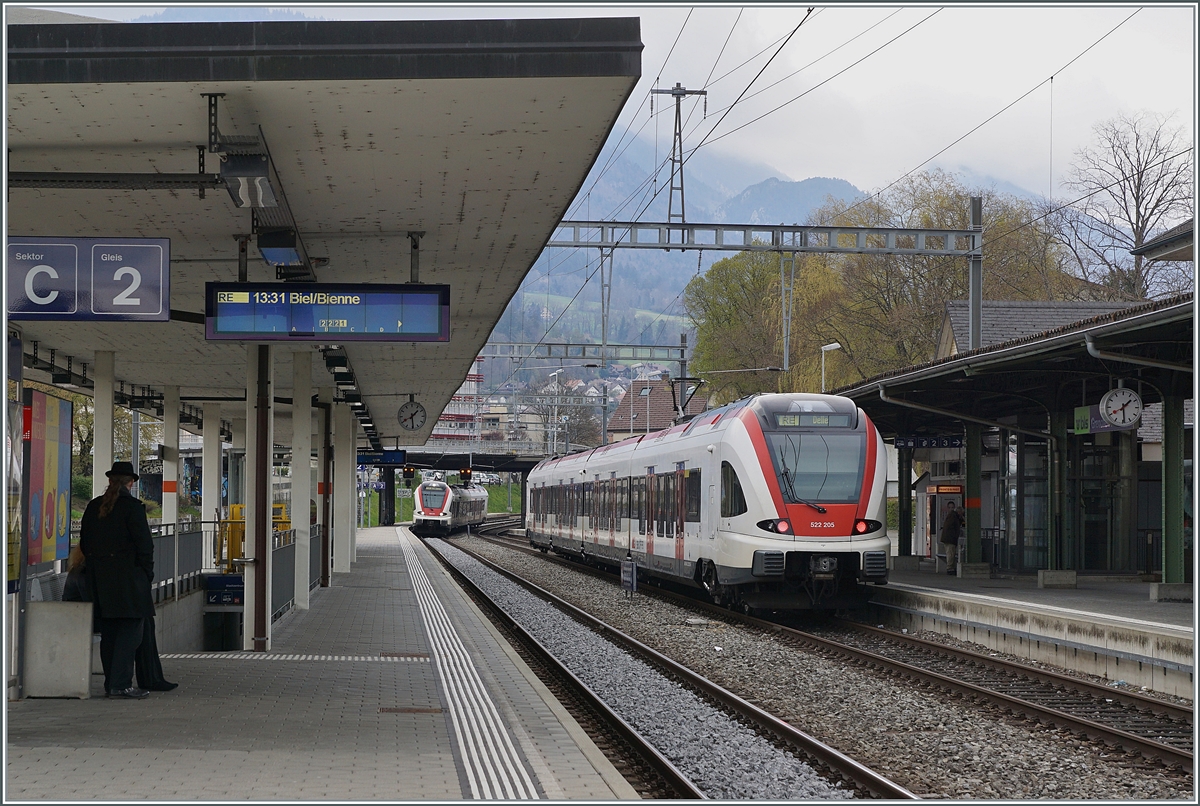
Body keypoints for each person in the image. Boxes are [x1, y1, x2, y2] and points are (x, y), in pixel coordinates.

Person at [79, 461, 154, 699]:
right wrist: (146, 574)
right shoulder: (133, 508)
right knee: (131, 632)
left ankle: (111, 683)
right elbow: (145, 546)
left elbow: (84, 543)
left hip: (100, 580)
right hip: (130, 580)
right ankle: (121, 685)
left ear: (110, 481)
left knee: (109, 632)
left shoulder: (93, 507)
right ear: (130, 483)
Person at [940, 501, 964, 575]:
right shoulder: (953, 516)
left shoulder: (952, 516)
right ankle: (950, 569)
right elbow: (953, 527)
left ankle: (951, 568)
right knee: (950, 554)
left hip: (948, 538)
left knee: (950, 554)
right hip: (950, 539)